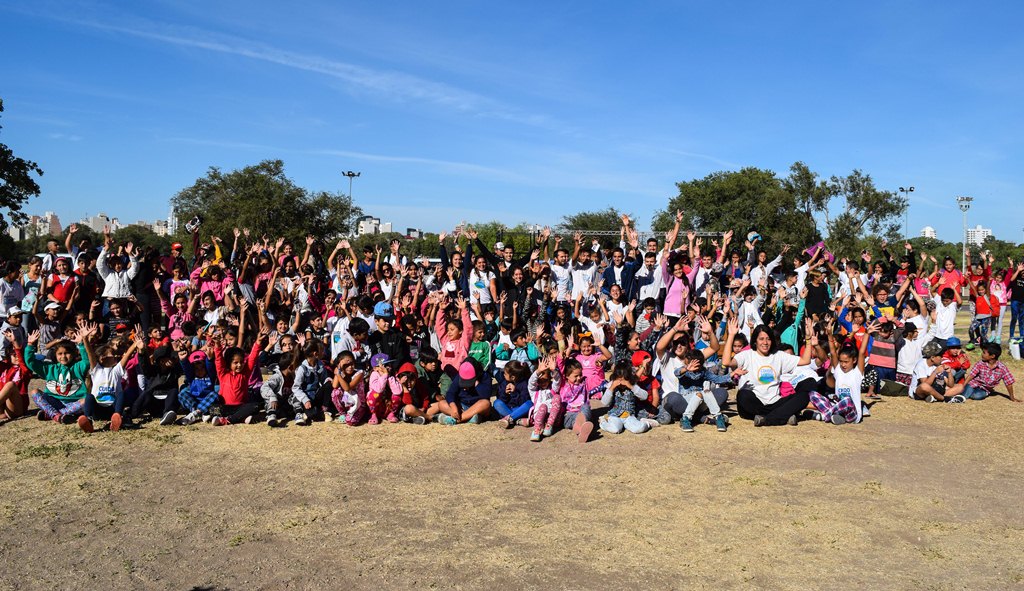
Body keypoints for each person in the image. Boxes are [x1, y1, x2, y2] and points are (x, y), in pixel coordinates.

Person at [721, 318, 815, 426]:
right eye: (761, 339)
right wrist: (731, 335)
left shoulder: (778, 355)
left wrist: (808, 339)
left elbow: (805, 360)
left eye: (768, 339)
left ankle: (767, 419)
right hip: (754, 403)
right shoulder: (747, 355)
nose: (765, 343)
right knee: (743, 395)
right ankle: (783, 416)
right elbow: (726, 362)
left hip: (775, 402)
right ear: (755, 341)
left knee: (803, 397)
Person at [77, 322, 139, 433]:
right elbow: (90, 353)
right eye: (111, 354)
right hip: (98, 410)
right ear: (101, 358)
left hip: (113, 409)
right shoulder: (96, 370)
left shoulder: (117, 370)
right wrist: (85, 339)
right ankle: (88, 420)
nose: (114, 356)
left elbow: (127, 356)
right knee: (89, 396)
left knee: (121, 394)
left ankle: (117, 417)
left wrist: (135, 344)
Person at [25, 328, 90, 423]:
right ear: (55, 355)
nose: (63, 356)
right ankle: (56, 415)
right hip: (54, 402)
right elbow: (31, 363)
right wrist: (30, 345)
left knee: (86, 401)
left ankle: (52, 413)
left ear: (73, 353)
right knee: (34, 392)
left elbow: (87, 361)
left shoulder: (78, 366)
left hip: (74, 403)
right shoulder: (50, 368)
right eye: (60, 354)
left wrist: (81, 344)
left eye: (67, 353)